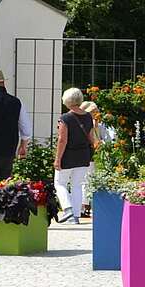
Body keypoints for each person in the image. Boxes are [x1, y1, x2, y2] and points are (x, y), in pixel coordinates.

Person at [53, 88, 98, 224]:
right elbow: (91, 137)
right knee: (77, 185)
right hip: (83, 155)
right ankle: (76, 216)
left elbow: (62, 140)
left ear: (67, 100)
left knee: (60, 183)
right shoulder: (88, 117)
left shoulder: (65, 118)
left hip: (68, 154)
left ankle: (68, 210)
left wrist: (57, 159)